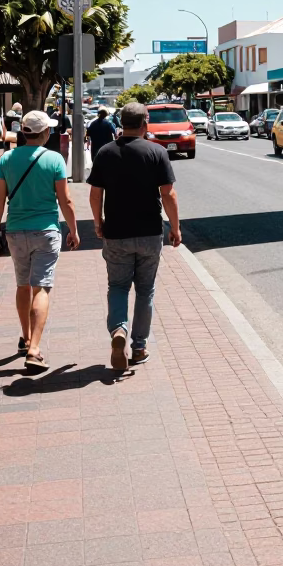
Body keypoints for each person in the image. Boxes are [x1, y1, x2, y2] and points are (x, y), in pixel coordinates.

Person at [87, 101, 181, 372]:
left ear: (121, 123)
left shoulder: (105, 152)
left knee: (117, 287)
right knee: (145, 290)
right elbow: (168, 194)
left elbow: (95, 194)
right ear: (145, 122)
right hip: (150, 232)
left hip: (116, 232)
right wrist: (175, 228)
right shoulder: (156, 152)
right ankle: (139, 347)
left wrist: (97, 223)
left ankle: (119, 330)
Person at [0, 110, 80, 372]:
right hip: (46, 231)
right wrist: (73, 230)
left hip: (16, 230)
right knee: (41, 287)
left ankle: (26, 336)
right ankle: (34, 349)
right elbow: (65, 200)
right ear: (45, 133)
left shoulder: (6, 159)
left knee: (22, 285)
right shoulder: (54, 159)